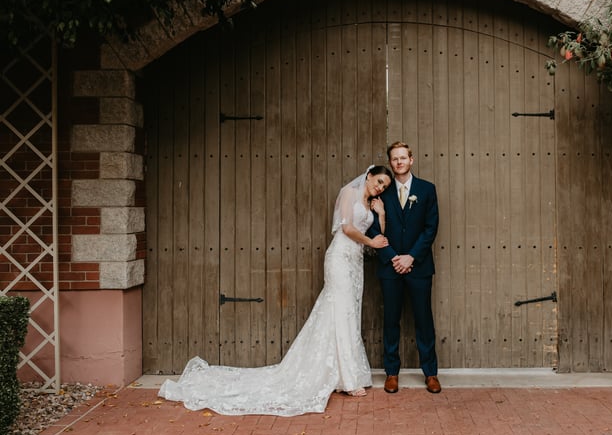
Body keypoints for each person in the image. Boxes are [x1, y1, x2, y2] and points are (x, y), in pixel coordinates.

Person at [158, 165, 394, 416]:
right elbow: (347, 228)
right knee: (340, 309)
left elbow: (379, 234)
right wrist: (370, 241)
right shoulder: (348, 192)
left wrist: (380, 215)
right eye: (378, 181)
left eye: (384, 187)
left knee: (347, 312)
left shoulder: (372, 203)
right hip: (339, 257)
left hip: (355, 262)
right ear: (368, 176)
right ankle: (348, 379)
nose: (380, 187)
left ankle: (342, 373)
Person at [368, 141, 441, 394]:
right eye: (394, 159)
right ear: (390, 163)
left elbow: (430, 228)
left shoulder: (427, 190)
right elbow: (374, 229)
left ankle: (430, 373)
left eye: (403, 158)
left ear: (411, 160)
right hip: (390, 269)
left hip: (418, 267)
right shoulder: (381, 193)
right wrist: (392, 257)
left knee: (423, 320)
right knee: (391, 320)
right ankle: (391, 373)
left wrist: (410, 257)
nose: (399, 162)